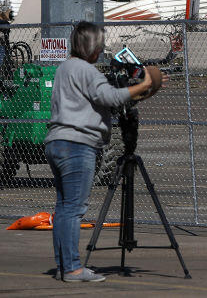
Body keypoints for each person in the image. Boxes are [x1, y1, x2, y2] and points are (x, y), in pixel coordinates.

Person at [44, 22, 162, 282]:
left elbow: (103, 101)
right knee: (74, 209)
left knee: (64, 208)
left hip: (57, 141)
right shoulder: (87, 71)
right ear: (91, 47)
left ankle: (64, 265)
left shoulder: (65, 68)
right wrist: (145, 83)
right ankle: (73, 268)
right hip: (77, 144)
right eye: (99, 45)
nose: (101, 50)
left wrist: (139, 92)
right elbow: (109, 97)